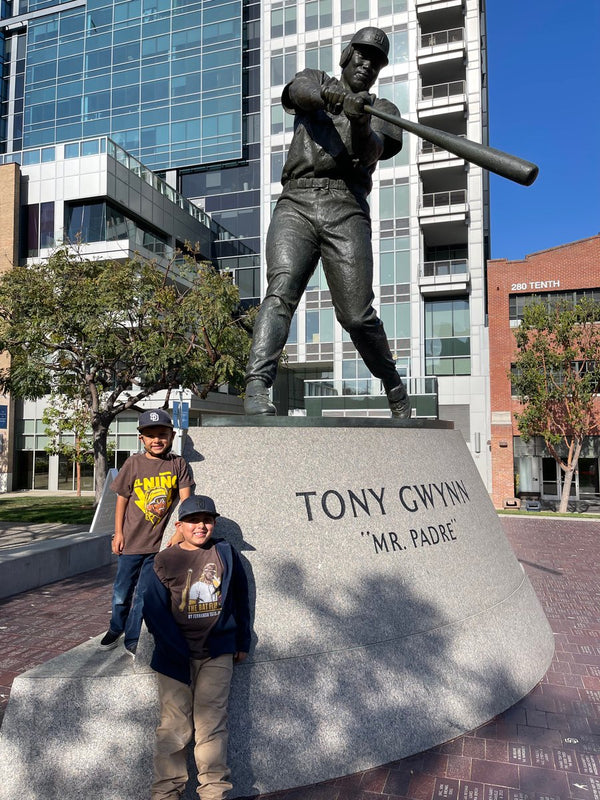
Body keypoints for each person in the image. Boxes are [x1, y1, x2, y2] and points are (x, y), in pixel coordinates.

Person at [244, 26, 411, 419]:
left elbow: (370, 153)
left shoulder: (383, 110)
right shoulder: (317, 81)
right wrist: (330, 97)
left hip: (345, 205)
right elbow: (296, 91)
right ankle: (256, 385)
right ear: (347, 56)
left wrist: (359, 121)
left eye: (376, 61)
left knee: (356, 315)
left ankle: (393, 383)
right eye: (362, 55)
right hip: (297, 200)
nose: (368, 64)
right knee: (281, 289)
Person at [143, 494, 251, 800]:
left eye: (206, 520)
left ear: (214, 523)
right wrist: (174, 649)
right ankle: (166, 794)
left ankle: (214, 793)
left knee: (212, 726)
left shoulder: (225, 553)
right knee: (173, 730)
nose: (200, 526)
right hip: (174, 656)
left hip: (217, 652)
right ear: (179, 525)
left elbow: (240, 600)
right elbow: (153, 610)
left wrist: (241, 641)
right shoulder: (163, 560)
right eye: (192, 521)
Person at [99, 408, 194, 656]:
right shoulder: (133, 463)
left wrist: (180, 533)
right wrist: (117, 533)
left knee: (143, 593)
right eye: (150, 435)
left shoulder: (178, 464)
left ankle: (132, 637)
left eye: (162, 434)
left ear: (172, 436)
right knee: (122, 591)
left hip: (158, 544)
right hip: (131, 541)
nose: (157, 440)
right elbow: (121, 499)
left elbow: (186, 502)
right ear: (141, 438)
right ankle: (116, 626)